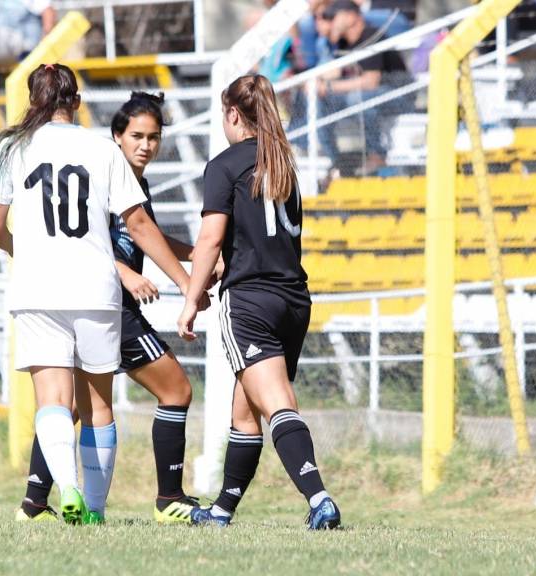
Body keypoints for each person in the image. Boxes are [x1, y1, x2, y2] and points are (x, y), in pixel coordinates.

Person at [0, 64, 202, 525]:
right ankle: (96, 509)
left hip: (38, 289)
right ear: (77, 102)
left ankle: (66, 489)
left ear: (33, 100)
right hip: (96, 290)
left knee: (54, 401)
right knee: (98, 405)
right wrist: (186, 282)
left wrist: (24, 251)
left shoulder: (10, 147)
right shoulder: (103, 150)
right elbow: (138, 224)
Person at [177, 74, 340, 531]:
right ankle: (221, 512)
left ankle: (320, 499)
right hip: (293, 301)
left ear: (233, 114)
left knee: (277, 405)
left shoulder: (225, 165)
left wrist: (191, 299)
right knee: (244, 412)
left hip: (251, 301)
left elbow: (210, 239)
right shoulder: (283, 162)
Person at [316, 0, 407, 175]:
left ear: (351, 16)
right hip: (369, 98)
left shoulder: (371, 35)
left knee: (356, 98)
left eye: (334, 17)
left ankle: (378, 154)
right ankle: (334, 160)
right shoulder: (343, 43)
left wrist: (330, 86)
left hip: (399, 95)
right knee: (321, 99)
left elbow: (371, 82)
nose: (330, 21)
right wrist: (318, 83)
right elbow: (333, 73)